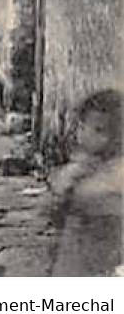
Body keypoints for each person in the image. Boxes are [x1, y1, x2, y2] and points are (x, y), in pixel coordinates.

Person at [49, 89, 123, 276]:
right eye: (80, 127)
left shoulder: (114, 172)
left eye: (97, 130)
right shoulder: (80, 166)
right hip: (77, 254)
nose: (81, 133)